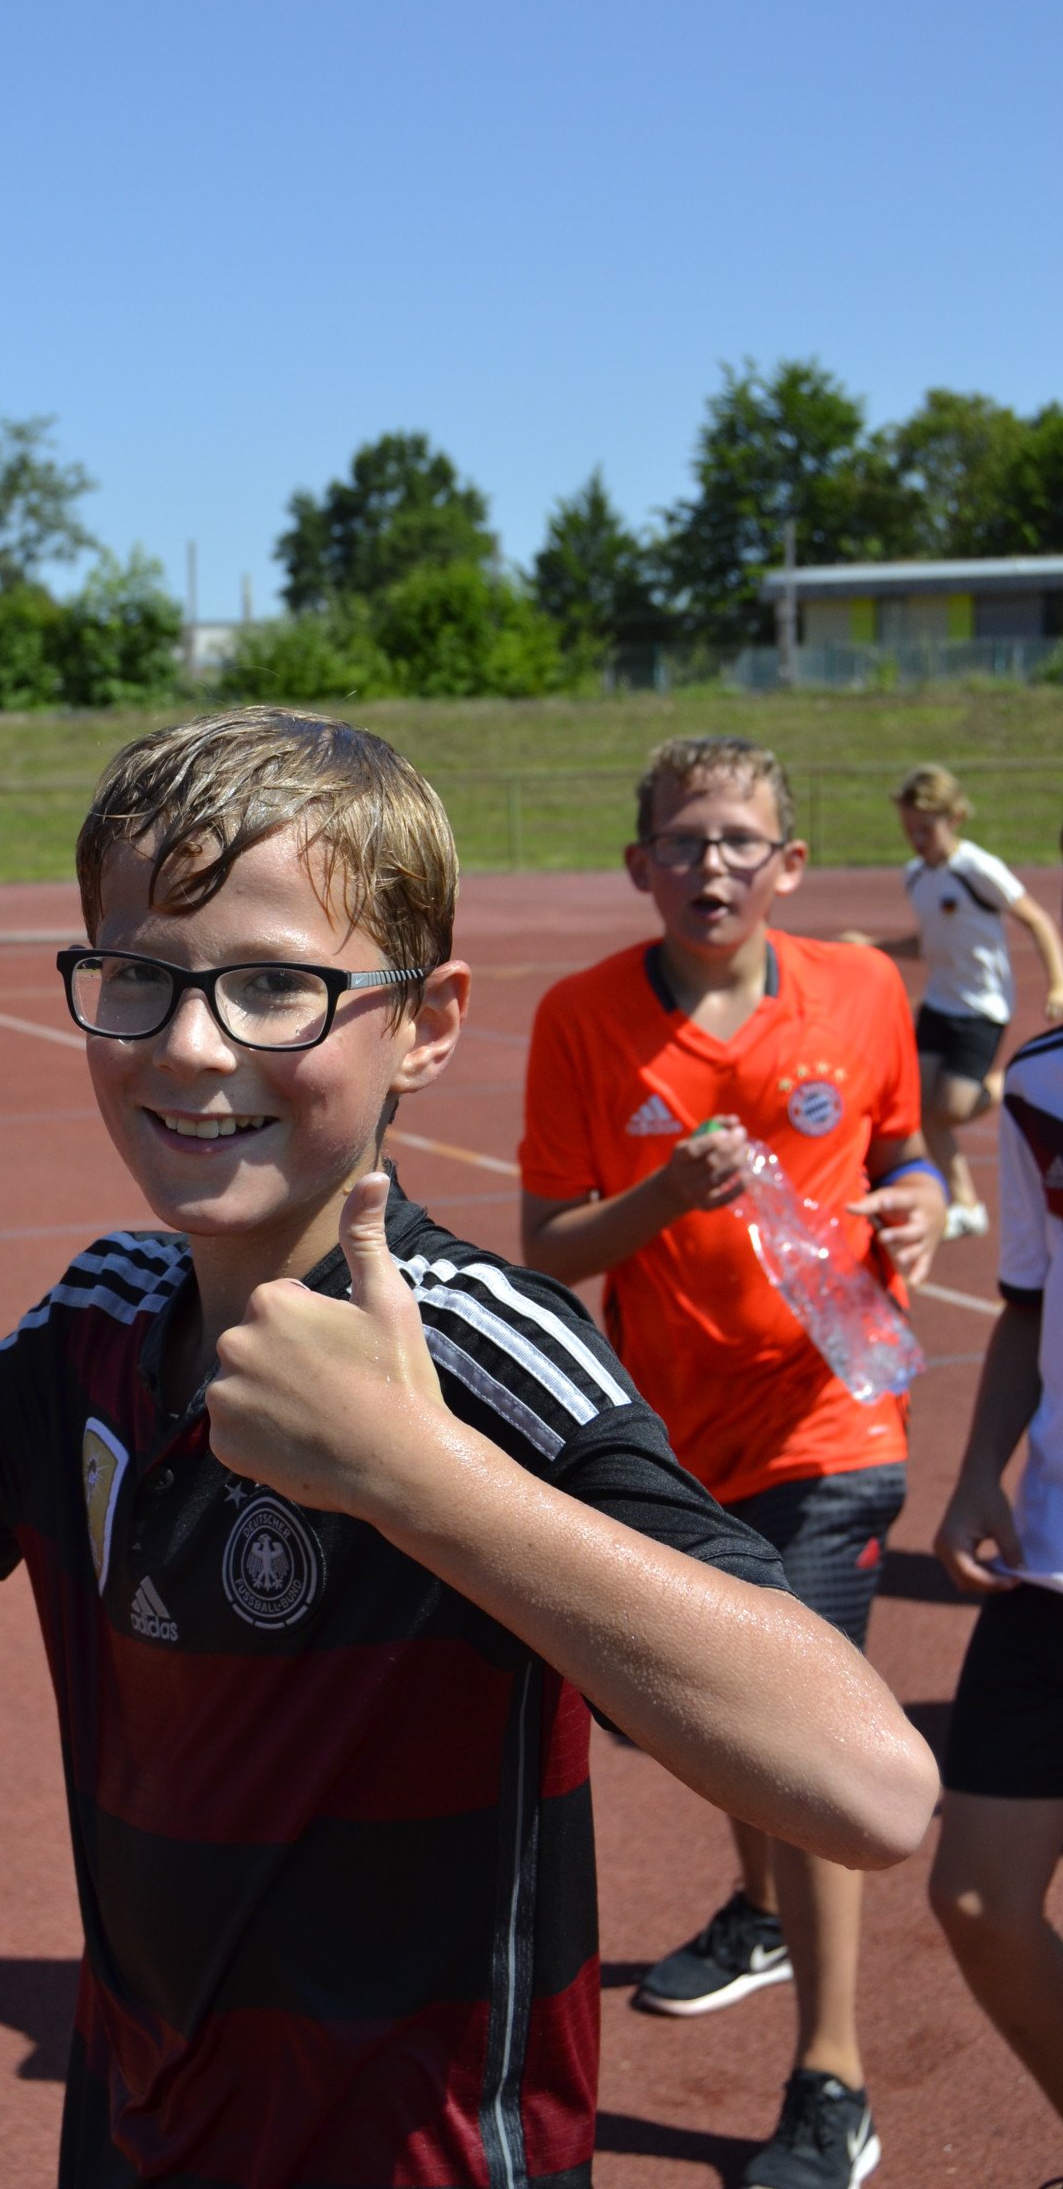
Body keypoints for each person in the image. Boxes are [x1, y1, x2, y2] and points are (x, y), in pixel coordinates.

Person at [0, 709, 937, 2189]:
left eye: (278, 984)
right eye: (138, 977)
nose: (193, 1043)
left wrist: (422, 1480)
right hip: (142, 2131)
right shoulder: (88, 1335)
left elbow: (869, 1787)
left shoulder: (476, 1353)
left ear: (429, 1019)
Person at [519, 733, 946, 2189]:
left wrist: (920, 1210)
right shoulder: (585, 1020)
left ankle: (834, 2079)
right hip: (670, 1435)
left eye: (741, 842)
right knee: (697, 1718)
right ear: (641, 864)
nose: (714, 866)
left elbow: (908, 1154)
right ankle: (762, 1914)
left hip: (836, 1424)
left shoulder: (865, 989)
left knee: (805, 1741)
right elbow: (550, 1247)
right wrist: (660, 1192)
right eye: (686, 842)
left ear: (790, 866)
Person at [930, 1013, 1063, 2119]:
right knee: (980, 1900)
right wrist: (980, 1466)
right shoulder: (1042, 1081)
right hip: (1052, 1559)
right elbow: (1028, 1298)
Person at [867, 764, 1063, 1241]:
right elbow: (929, 943)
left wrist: (1058, 985)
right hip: (940, 1002)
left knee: (951, 1110)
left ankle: (1005, 1084)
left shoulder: (978, 869)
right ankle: (967, 1205)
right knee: (919, 1108)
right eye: (909, 828)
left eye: (926, 829)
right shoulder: (915, 876)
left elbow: (1037, 921)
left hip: (982, 1005)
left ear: (954, 818)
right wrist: (874, 944)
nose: (917, 838)